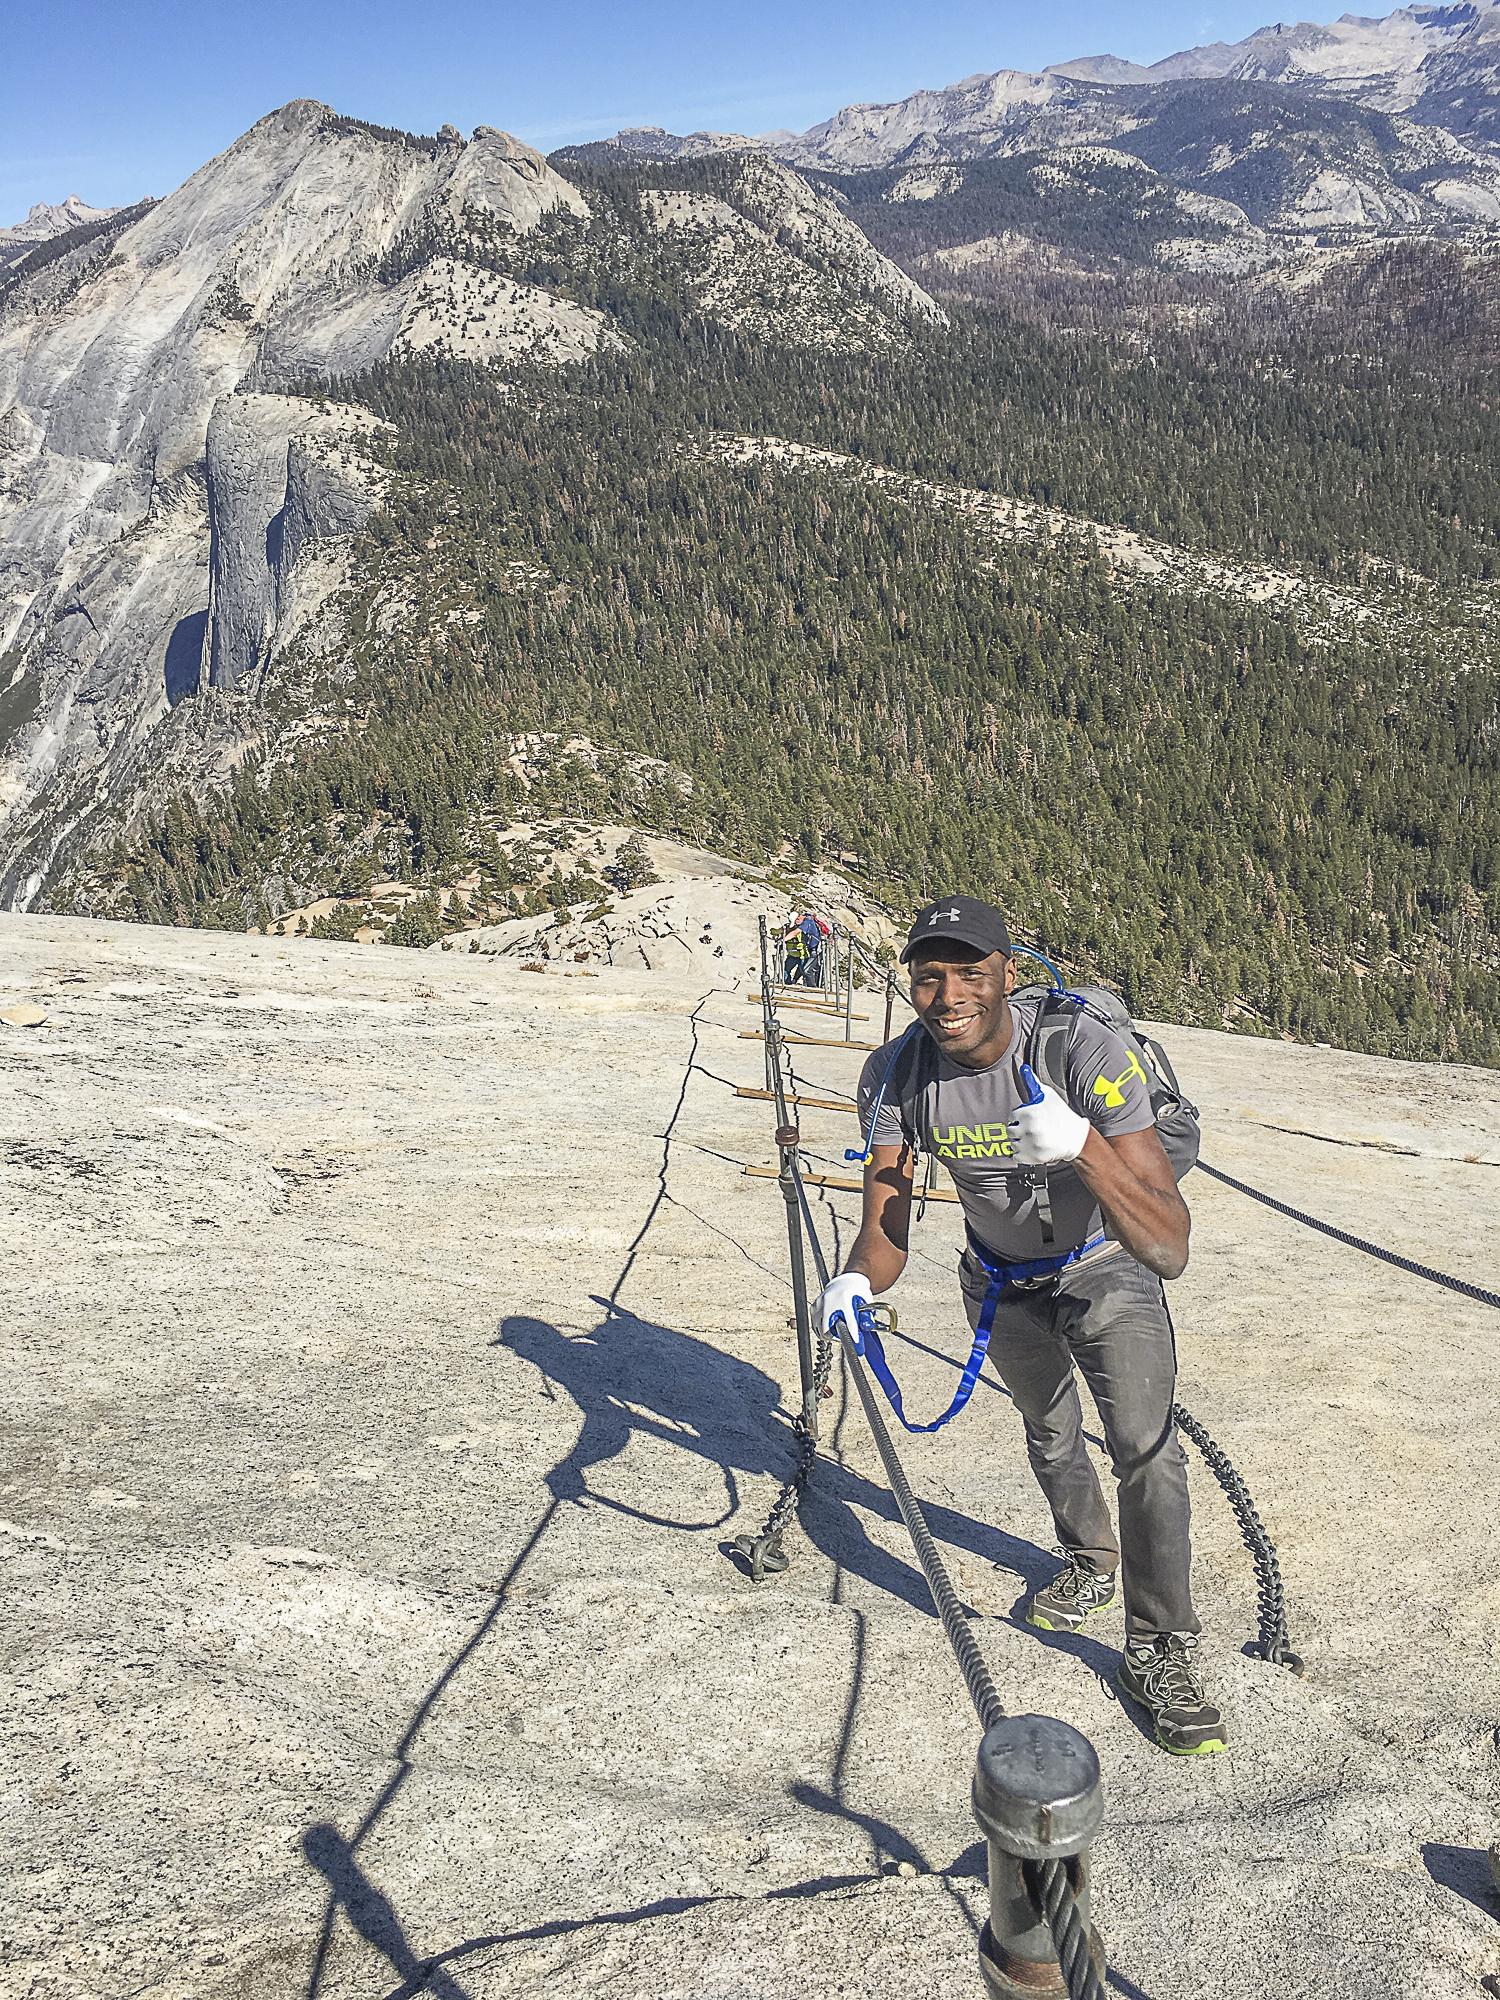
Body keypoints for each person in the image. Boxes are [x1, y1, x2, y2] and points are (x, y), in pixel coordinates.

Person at [818, 894, 1225, 1756]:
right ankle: (1090, 1560)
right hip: (997, 1279)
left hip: (1103, 1269)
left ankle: (1160, 1646)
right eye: (929, 977)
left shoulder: (1080, 1049)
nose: (949, 994)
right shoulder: (894, 1075)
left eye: (970, 972)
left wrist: (1082, 1144)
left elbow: (1167, 1242)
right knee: (1048, 1432)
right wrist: (855, 1281)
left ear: (1008, 974)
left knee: (1147, 1451)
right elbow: (884, 1225)